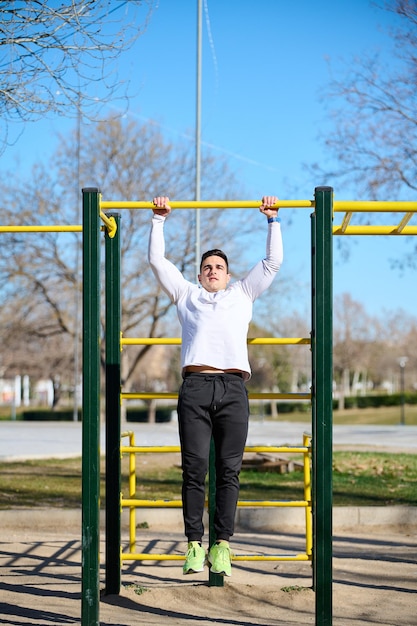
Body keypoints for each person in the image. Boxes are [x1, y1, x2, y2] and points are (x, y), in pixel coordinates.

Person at [148, 195, 283, 576]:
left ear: (228, 274)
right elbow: (158, 262)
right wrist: (159, 221)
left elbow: (273, 263)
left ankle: (221, 546)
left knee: (229, 471)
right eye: (207, 266)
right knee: (194, 471)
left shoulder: (242, 293)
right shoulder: (186, 295)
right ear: (199, 274)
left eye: (218, 267)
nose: (212, 271)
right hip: (194, 387)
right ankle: (194, 544)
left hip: (233, 390)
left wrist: (272, 221)